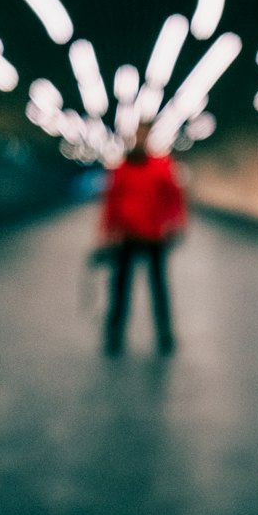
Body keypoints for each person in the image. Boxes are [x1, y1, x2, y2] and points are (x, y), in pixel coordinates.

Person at [98, 121, 186, 355]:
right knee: (120, 289)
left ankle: (165, 334)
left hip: (155, 235)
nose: (140, 138)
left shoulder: (162, 165)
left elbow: (174, 198)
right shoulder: (122, 168)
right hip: (126, 236)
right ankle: (114, 335)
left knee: (158, 287)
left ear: (148, 137)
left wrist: (175, 222)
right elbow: (111, 203)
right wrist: (106, 234)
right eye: (137, 134)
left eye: (144, 134)